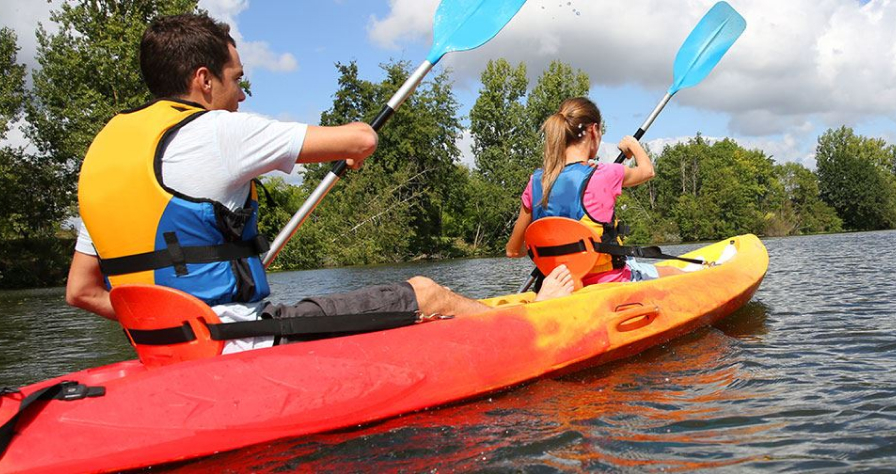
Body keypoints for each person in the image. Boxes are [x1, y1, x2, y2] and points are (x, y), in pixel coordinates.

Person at [65, 13, 573, 354]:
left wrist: (172, 329)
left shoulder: (106, 155)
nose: (241, 94)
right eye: (237, 79)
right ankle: (533, 325)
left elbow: (81, 291)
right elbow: (359, 139)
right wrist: (355, 147)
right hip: (240, 342)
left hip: (167, 352)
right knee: (426, 293)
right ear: (204, 80)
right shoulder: (216, 130)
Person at [505, 97, 683, 286]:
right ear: (594, 130)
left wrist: (554, 253)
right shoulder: (605, 173)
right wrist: (633, 145)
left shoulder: (536, 182)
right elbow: (647, 171)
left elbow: (513, 250)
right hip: (610, 283)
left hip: (559, 287)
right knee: (676, 272)